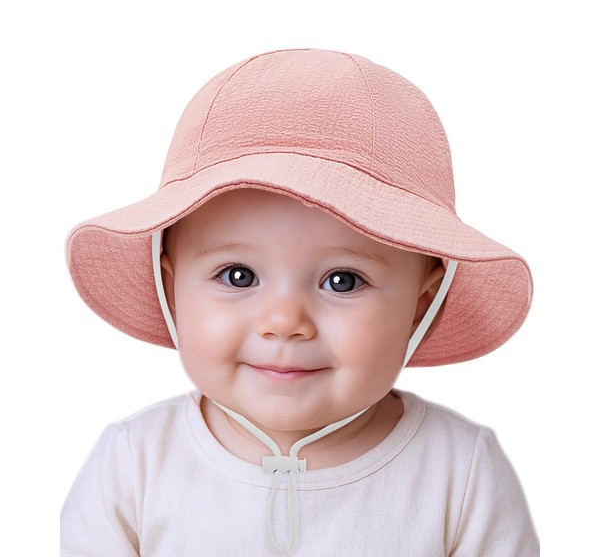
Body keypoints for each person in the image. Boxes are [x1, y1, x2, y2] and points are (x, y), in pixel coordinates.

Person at [61, 48, 539, 556]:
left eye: (342, 281)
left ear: (422, 304)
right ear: (171, 290)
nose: (284, 322)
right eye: (238, 275)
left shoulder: (461, 477)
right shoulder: (131, 469)